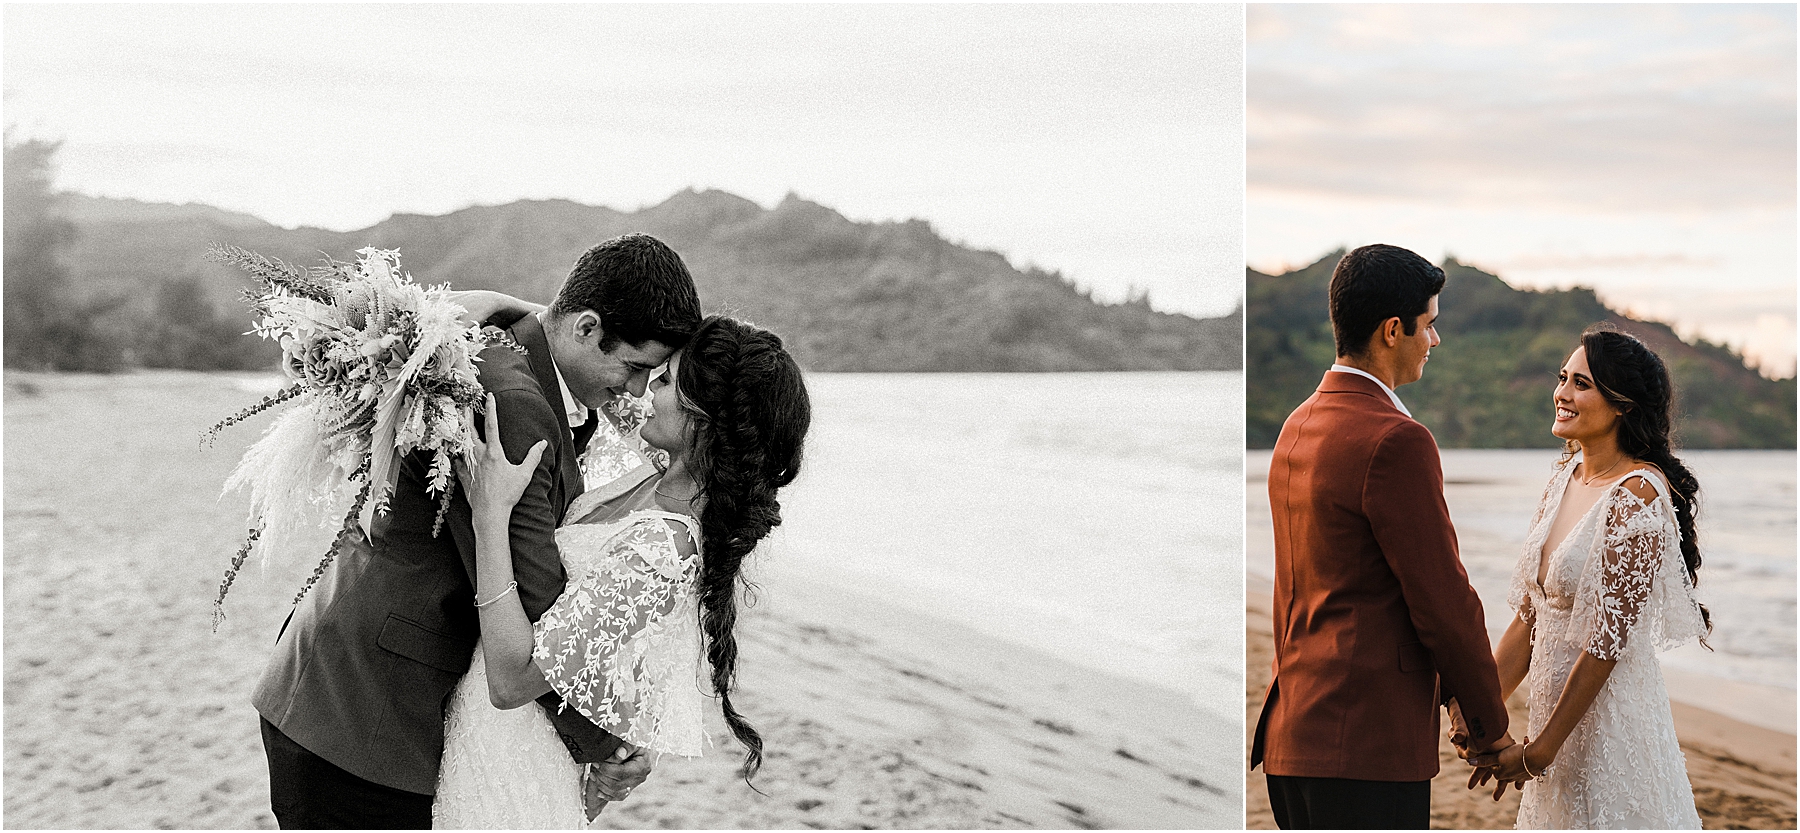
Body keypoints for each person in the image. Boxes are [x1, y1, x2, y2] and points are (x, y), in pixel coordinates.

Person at [252, 234, 701, 828]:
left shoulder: (516, 354)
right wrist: (606, 745)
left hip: (351, 695)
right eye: (635, 367)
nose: (638, 389)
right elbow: (535, 599)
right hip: (362, 718)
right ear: (587, 328)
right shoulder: (512, 401)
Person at [433, 315, 810, 827]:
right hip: (487, 724)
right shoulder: (660, 466)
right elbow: (569, 341)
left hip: (516, 743)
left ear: (702, 419)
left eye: (667, 381)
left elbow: (512, 681)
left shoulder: (665, 546)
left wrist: (490, 515)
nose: (646, 390)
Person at [1251, 243, 1512, 829]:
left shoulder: (1298, 425)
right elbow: (1443, 602)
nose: (1434, 341)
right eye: (1430, 325)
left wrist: (1450, 697)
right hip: (1363, 750)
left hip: (1293, 737)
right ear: (1393, 330)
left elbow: (1344, 585)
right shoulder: (1396, 440)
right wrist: (1489, 725)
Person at [1462, 324, 1708, 828]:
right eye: (1562, 378)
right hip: (1552, 724)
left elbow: (1604, 647)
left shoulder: (1638, 495)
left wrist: (1538, 753)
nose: (1562, 393)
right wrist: (1480, 712)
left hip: (1609, 728)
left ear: (1623, 404)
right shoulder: (1563, 478)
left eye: (1582, 383)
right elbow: (1530, 617)